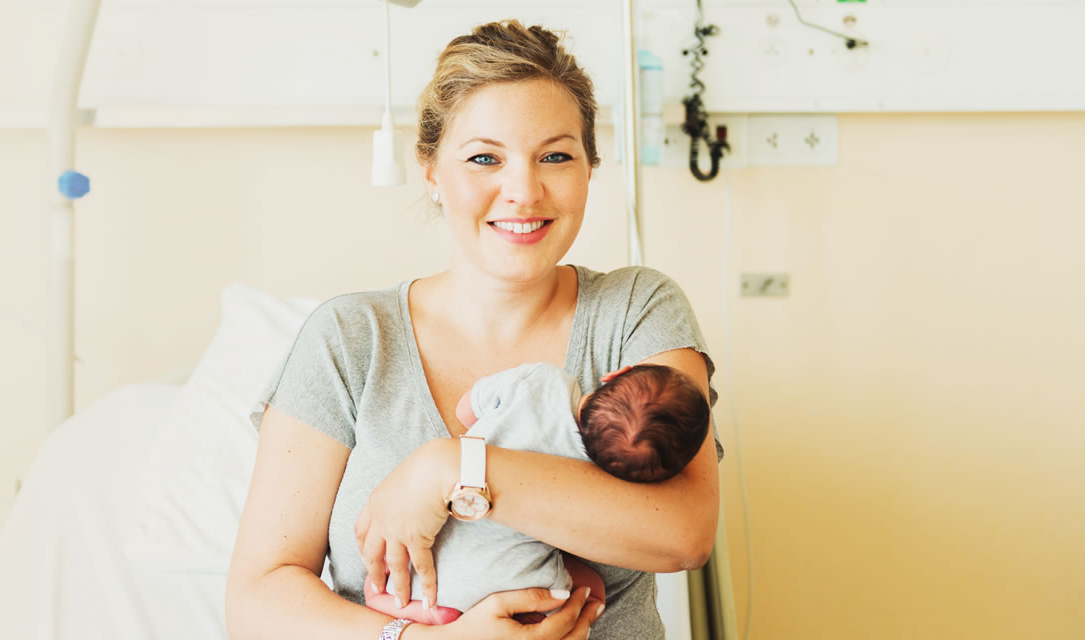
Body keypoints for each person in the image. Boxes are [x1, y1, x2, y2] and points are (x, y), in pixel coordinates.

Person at [224, 20, 724, 640]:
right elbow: (258, 598)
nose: (523, 190)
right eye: (485, 157)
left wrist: (452, 469)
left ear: (590, 168)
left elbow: (685, 534)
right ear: (431, 171)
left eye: (556, 156)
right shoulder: (349, 341)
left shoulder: (635, 311)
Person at [358, 362, 712, 626]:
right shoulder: (599, 481)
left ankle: (394, 603)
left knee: (407, 580)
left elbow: (465, 409)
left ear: (616, 374)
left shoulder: (542, 381)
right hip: (510, 591)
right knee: (588, 590)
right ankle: (440, 617)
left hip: (427, 567)